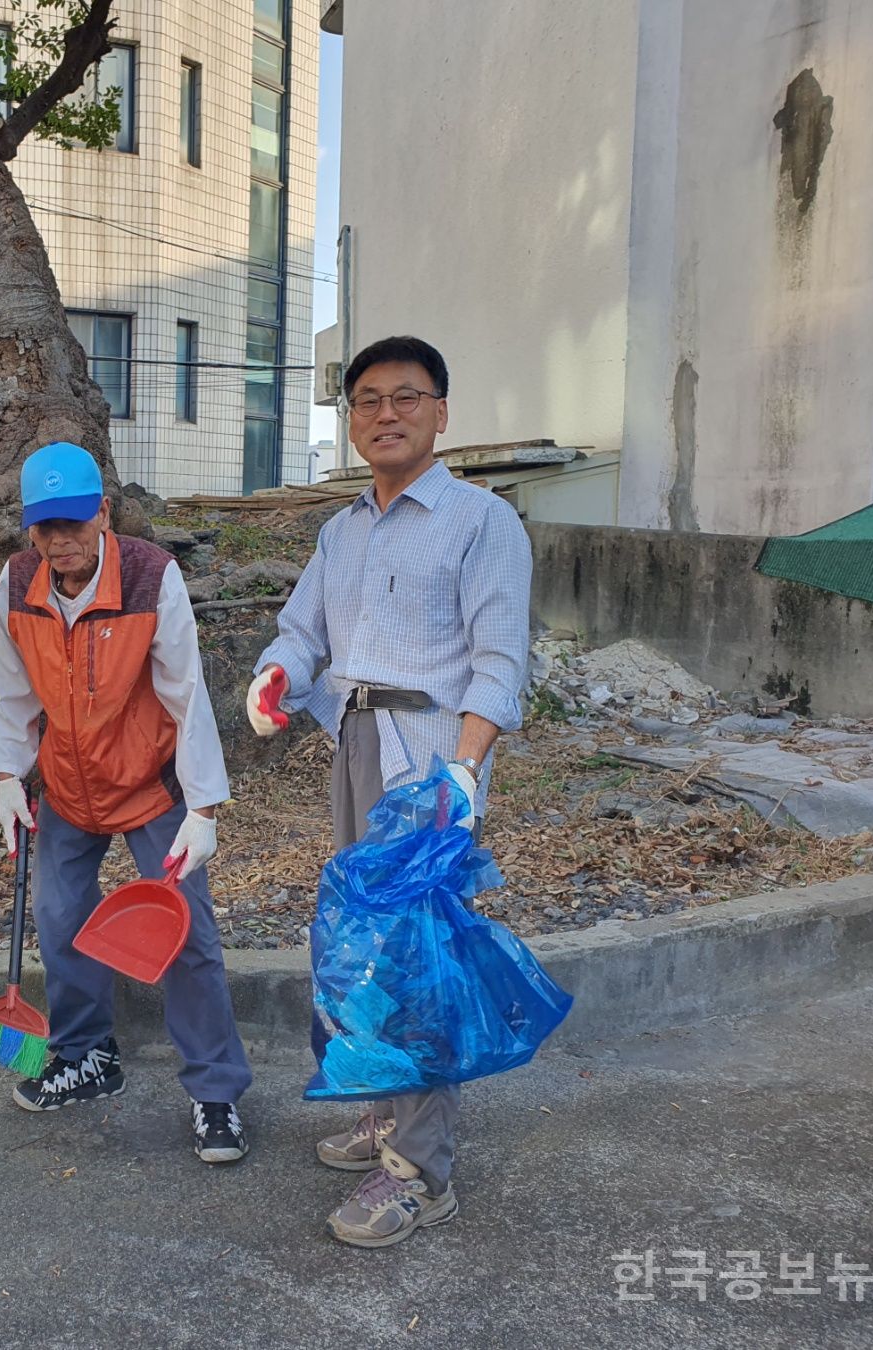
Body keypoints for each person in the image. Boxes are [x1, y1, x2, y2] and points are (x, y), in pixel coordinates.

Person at [248, 336, 531, 1246]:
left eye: (406, 397)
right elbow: (301, 635)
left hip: (432, 765)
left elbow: (499, 661)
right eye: (366, 400)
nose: (385, 414)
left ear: (441, 412)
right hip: (356, 745)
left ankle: (421, 1171)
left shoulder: (483, 523)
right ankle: (387, 1116)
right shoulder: (341, 532)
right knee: (363, 948)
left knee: (421, 959)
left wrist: (466, 766)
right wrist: (272, 679)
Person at [0, 441, 254, 1163]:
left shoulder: (149, 577)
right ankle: (84, 1057)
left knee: (188, 938)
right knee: (59, 916)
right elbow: (12, 691)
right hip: (69, 790)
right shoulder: (16, 585)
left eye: (74, 523)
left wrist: (203, 808)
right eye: (45, 529)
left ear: (103, 512)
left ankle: (215, 1091)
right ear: (30, 529)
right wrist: (8, 776)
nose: (60, 542)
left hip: (149, 785)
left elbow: (186, 693)